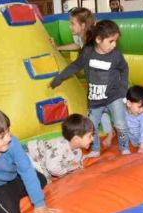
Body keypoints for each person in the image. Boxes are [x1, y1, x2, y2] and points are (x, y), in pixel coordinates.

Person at [50, 20, 130, 158]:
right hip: (95, 99)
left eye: (116, 41)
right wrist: (60, 78)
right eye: (111, 41)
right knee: (91, 126)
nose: (114, 45)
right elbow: (75, 65)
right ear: (98, 39)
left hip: (114, 96)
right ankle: (95, 149)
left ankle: (124, 148)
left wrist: (123, 90)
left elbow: (124, 68)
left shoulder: (115, 55)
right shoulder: (88, 52)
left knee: (120, 123)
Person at [50, 7, 114, 147]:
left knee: (99, 108)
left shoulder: (92, 42)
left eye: (72, 23)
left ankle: (96, 141)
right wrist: (58, 48)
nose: (70, 26)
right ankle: (109, 133)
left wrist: (59, 78)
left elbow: (77, 64)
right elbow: (77, 46)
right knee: (101, 107)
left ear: (83, 25)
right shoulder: (82, 37)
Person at [26, 114, 94, 184]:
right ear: (76, 139)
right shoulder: (60, 147)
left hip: (41, 160)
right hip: (32, 154)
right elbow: (52, 168)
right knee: (44, 181)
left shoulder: (78, 151)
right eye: (89, 136)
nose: (93, 138)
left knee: (45, 178)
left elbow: (75, 165)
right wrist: (67, 169)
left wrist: (74, 168)